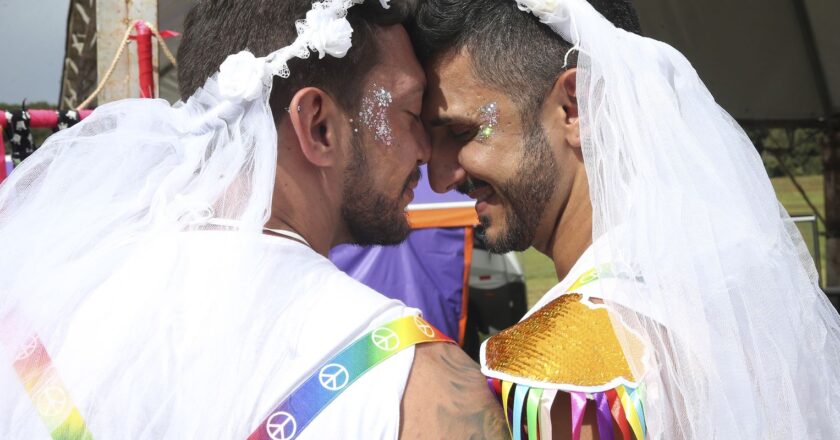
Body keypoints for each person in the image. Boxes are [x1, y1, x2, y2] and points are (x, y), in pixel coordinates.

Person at [0, 0, 506, 438]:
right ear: (319, 126)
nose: (426, 154)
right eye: (411, 114)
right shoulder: (419, 388)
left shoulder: (42, 318)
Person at [410, 0, 840, 438]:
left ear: (574, 109)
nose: (441, 179)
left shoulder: (560, 365)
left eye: (463, 133)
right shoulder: (736, 288)